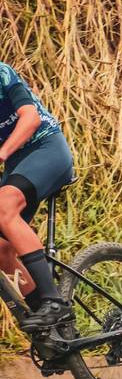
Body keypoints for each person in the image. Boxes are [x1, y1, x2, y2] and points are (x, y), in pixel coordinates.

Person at [0, 62, 75, 330]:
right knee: (1, 250)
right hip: (16, 166)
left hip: (46, 148)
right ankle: (51, 331)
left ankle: (54, 303)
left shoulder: (1, 73)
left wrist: (2, 152)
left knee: (3, 206)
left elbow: (30, 118)